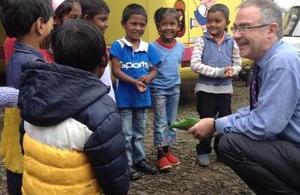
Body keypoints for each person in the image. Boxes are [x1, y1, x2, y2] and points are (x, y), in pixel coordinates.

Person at [188, 0, 300, 194]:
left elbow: (264, 125)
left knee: (230, 144)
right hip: (288, 145)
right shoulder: (267, 60)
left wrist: (215, 125)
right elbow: (259, 110)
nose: (237, 35)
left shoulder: (282, 62)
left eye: (245, 28)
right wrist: (219, 121)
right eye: (235, 28)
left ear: (271, 30)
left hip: (295, 146)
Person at [18, 19, 129, 195]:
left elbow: (24, 145)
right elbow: (113, 176)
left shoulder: (34, 92)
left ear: (53, 57)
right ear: (104, 59)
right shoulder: (103, 110)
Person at [0, 0, 54, 194]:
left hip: (16, 132)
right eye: (51, 20)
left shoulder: (18, 54)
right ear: (40, 25)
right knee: (21, 178)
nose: (53, 24)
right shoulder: (32, 62)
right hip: (24, 136)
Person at [110, 3, 160, 180]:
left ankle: (140, 159)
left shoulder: (148, 47)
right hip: (124, 99)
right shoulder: (118, 46)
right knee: (126, 133)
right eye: (134, 24)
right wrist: (134, 81)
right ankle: (127, 163)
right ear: (124, 24)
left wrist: (149, 77)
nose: (138, 28)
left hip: (142, 98)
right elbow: (116, 71)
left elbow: (155, 69)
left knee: (139, 132)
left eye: (142, 25)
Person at [190, 3, 241, 166]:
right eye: (209, 21)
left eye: (217, 21)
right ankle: (204, 151)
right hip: (205, 90)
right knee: (206, 120)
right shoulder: (202, 40)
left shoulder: (232, 41)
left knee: (224, 122)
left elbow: (238, 63)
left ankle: (222, 152)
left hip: (225, 90)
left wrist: (233, 70)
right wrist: (218, 72)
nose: (212, 24)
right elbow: (195, 64)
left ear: (226, 22)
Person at [150, 8, 184, 171]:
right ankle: (160, 155)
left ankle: (168, 150)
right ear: (158, 26)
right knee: (161, 122)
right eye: (164, 24)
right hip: (159, 90)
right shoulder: (152, 47)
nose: (168, 27)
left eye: (173, 24)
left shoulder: (180, 47)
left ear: (178, 26)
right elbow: (151, 70)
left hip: (174, 89)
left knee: (172, 122)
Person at [80, 0, 115, 101]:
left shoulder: (100, 39)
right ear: (87, 19)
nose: (106, 24)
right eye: (102, 20)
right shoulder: (84, 45)